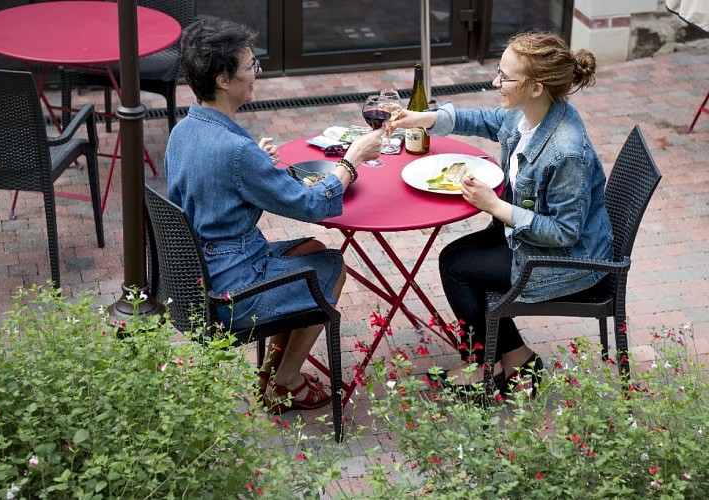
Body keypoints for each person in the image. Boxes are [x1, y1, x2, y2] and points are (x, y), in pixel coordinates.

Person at [165, 19, 382, 413]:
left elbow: (207, 186)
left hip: (200, 272)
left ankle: (271, 370)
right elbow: (308, 205)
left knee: (313, 249)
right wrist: (350, 163)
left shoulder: (185, 129)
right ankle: (286, 383)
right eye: (250, 67)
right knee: (331, 267)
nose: (256, 74)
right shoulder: (235, 150)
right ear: (223, 79)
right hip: (232, 287)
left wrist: (253, 169)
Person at [391, 31, 613, 396]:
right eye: (498, 71)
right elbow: (487, 120)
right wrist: (424, 117)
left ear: (536, 87)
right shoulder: (531, 114)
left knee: (456, 266)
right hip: (529, 236)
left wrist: (495, 206)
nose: (496, 82)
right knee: (459, 259)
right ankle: (518, 359)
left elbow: (564, 233)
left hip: (566, 260)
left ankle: (484, 367)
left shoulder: (565, 151)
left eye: (505, 77)